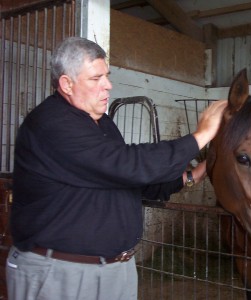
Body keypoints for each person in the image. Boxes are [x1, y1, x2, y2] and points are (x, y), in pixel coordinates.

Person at [6, 37, 227, 300]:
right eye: (95, 78)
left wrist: (198, 171)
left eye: (107, 76)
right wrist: (200, 136)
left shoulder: (102, 123)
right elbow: (127, 164)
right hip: (61, 272)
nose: (108, 85)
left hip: (115, 270)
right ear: (66, 84)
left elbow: (127, 179)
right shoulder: (50, 123)